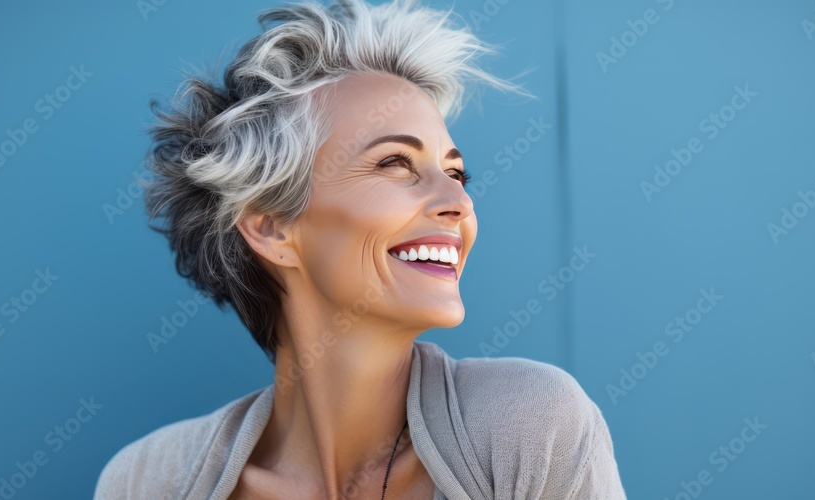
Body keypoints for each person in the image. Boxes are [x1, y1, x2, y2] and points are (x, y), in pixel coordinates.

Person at [94, 0, 626, 498]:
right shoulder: (147, 480)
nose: (458, 202)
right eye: (395, 163)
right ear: (271, 227)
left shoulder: (530, 425)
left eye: (457, 173)